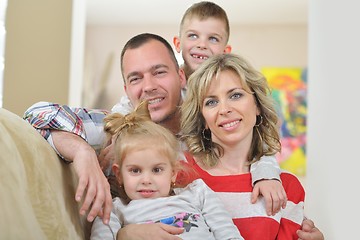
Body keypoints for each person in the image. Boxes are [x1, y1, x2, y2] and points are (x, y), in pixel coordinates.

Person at [24, 33, 323, 239]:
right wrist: (83, 153)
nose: (149, 86)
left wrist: (266, 170)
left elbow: (243, 141)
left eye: (159, 72)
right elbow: (36, 114)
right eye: (135, 78)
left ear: (181, 76)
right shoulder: (115, 127)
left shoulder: (205, 133)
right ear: (126, 89)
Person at [180, 53, 306, 239]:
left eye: (236, 95)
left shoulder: (287, 187)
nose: (224, 110)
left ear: (257, 105)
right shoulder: (180, 174)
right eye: (212, 102)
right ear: (203, 119)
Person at [90, 100, 243, 240]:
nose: (146, 180)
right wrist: (123, 235)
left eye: (157, 170)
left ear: (173, 173)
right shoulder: (113, 209)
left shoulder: (198, 193)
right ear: (119, 175)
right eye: (135, 171)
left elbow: (228, 234)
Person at [173, 1, 232, 79]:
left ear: (225, 53)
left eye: (213, 39)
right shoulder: (169, 83)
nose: (202, 45)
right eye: (193, 36)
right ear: (178, 44)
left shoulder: (229, 86)